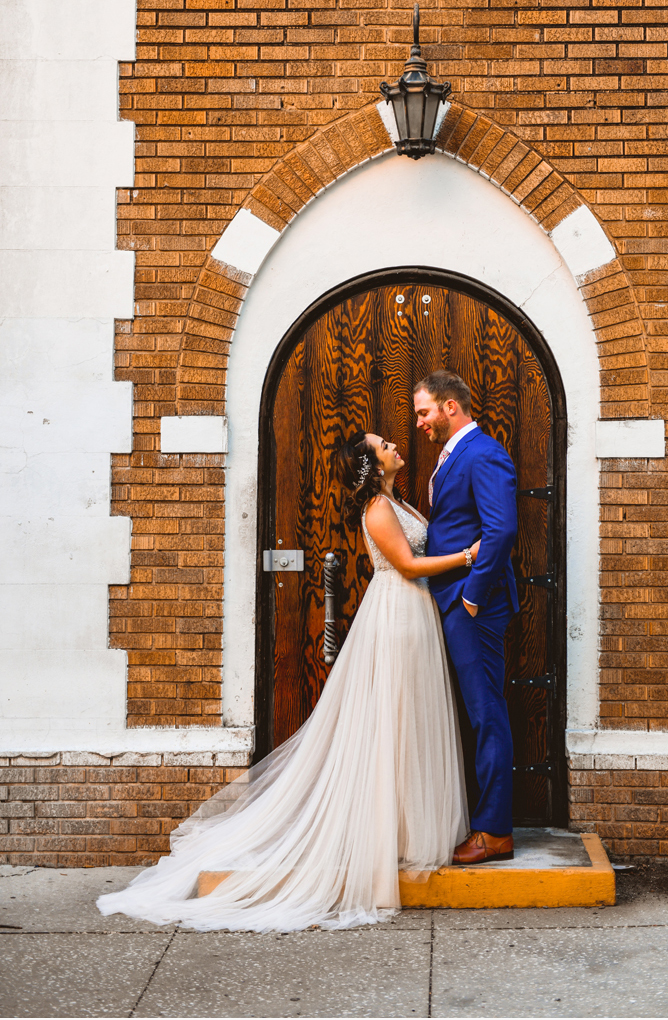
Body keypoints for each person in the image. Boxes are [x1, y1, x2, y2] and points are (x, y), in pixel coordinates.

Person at [97, 432, 476, 931]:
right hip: (397, 613)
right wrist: (467, 557)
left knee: (410, 722)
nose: (394, 444)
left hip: (415, 614)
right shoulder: (379, 511)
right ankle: (388, 838)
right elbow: (406, 565)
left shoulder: (396, 500)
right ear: (371, 462)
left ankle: (406, 833)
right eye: (384, 444)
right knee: (393, 719)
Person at [412, 370, 520, 864]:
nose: (420, 422)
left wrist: (471, 598)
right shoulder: (455, 453)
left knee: (486, 713)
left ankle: (494, 831)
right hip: (454, 599)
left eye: (424, 412)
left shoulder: (485, 452)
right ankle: (485, 822)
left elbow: (500, 530)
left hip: (471, 604)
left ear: (450, 406)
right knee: (478, 713)